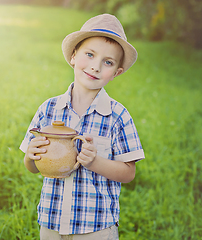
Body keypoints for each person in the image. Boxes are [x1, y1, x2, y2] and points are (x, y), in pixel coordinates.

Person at [19, 14, 145, 240]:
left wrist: (95, 162)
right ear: (74, 56)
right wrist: (30, 156)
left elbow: (128, 173)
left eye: (108, 62)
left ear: (117, 72)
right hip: (51, 223)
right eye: (90, 55)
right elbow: (32, 166)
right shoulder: (49, 109)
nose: (95, 67)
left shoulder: (118, 117)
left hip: (96, 227)